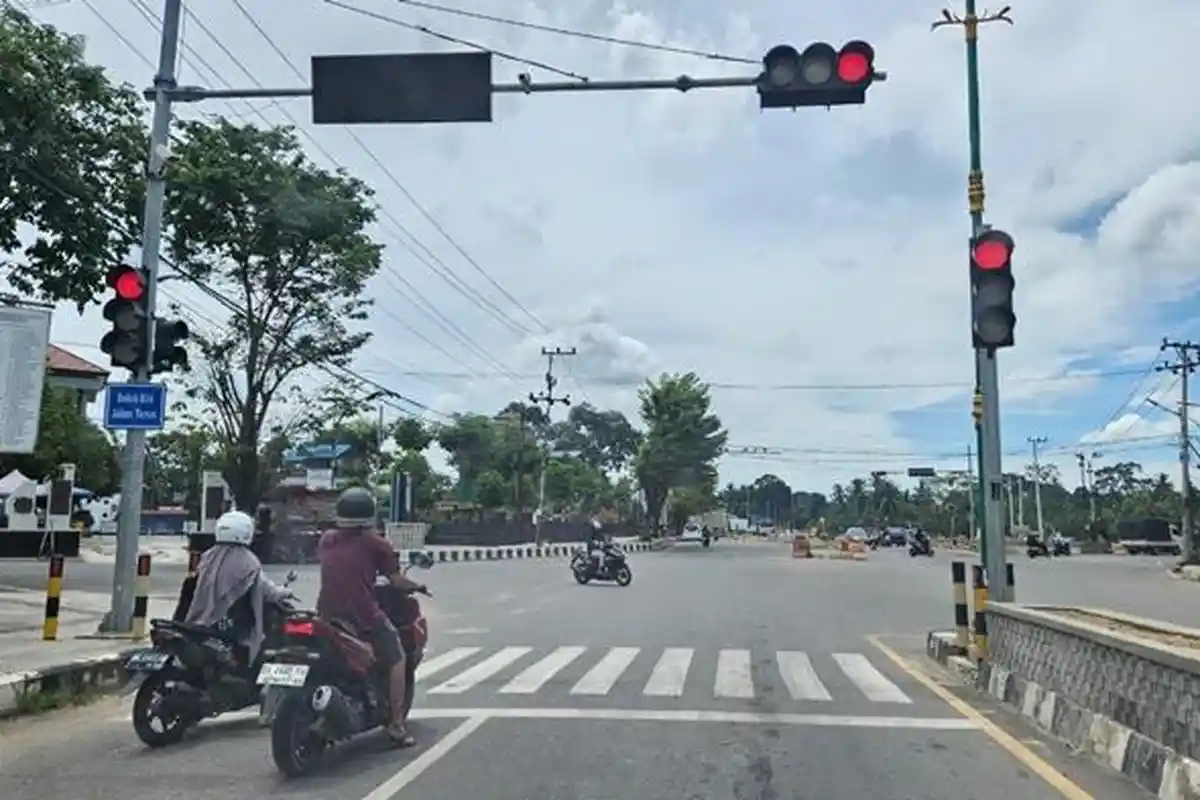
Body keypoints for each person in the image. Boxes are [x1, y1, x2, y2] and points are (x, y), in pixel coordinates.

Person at [316, 486, 425, 748]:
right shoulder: (376, 543)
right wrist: (418, 586)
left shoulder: (326, 539)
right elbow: (396, 581)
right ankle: (397, 725)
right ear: (370, 514)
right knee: (397, 657)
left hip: (326, 613)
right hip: (362, 614)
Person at [183, 509, 293, 667]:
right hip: (232, 623)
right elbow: (268, 591)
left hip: (201, 620)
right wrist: (285, 592)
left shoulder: (208, 555)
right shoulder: (248, 560)